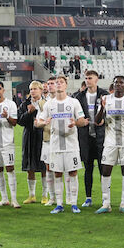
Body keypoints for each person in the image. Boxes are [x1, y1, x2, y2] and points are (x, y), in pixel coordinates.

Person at [35, 75, 88, 214]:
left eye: (61, 82)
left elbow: (83, 121)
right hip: (55, 144)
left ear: (66, 85)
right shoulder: (49, 104)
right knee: (57, 173)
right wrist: (43, 123)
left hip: (71, 144)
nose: (58, 84)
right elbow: (38, 122)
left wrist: (75, 122)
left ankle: (74, 204)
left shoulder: (74, 102)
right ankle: (59, 204)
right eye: (56, 82)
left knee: (73, 172)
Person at [94, 75, 124, 213]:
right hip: (110, 141)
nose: (118, 85)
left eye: (121, 83)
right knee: (106, 170)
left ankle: (123, 203)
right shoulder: (106, 99)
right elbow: (97, 121)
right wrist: (102, 109)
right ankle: (106, 203)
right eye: (115, 83)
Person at [74, 70, 107, 207]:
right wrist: (80, 121)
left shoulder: (104, 95)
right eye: (86, 78)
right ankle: (88, 197)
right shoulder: (79, 97)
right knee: (88, 168)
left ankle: (106, 198)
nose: (88, 80)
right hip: (85, 137)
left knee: (103, 168)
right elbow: (75, 115)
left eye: (90, 78)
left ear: (96, 79)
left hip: (101, 137)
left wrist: (104, 120)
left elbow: (110, 113)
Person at [17, 81, 47, 204]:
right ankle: (32, 195)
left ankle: (45, 195)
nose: (32, 91)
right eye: (31, 89)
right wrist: (28, 113)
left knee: (44, 167)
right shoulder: (25, 104)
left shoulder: (46, 103)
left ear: (41, 90)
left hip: (42, 137)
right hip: (28, 137)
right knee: (30, 167)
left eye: (35, 89)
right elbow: (20, 121)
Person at [40, 77, 57, 206]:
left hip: (63, 139)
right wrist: (42, 122)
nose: (50, 86)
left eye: (53, 83)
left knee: (65, 168)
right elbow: (38, 121)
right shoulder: (45, 103)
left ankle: (68, 196)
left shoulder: (70, 101)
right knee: (48, 168)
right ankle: (52, 198)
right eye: (49, 83)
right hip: (47, 139)